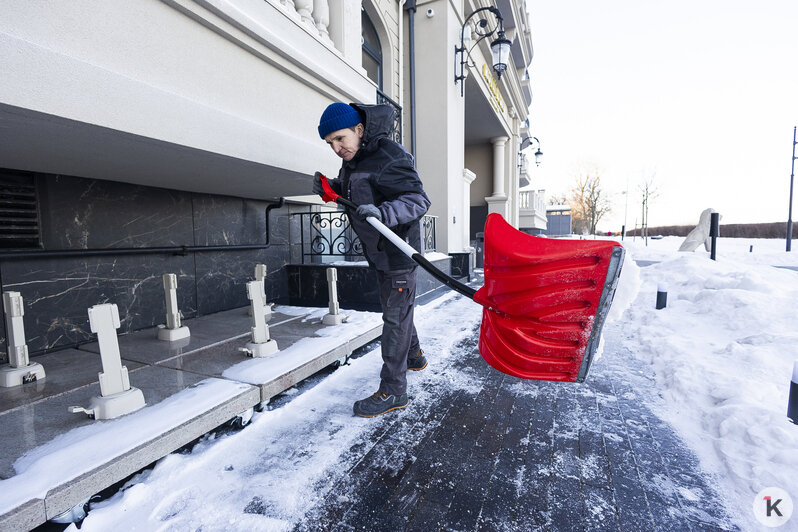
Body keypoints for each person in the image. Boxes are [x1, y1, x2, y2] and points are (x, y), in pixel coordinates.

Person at [314, 102, 431, 418]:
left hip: (398, 251)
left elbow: (418, 200)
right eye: (330, 144)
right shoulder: (354, 160)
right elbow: (364, 193)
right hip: (379, 253)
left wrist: (384, 213)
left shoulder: (389, 155)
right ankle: (415, 356)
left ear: (359, 130)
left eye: (340, 139)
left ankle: (394, 390)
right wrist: (334, 189)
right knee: (399, 311)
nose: (337, 148)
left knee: (394, 318)